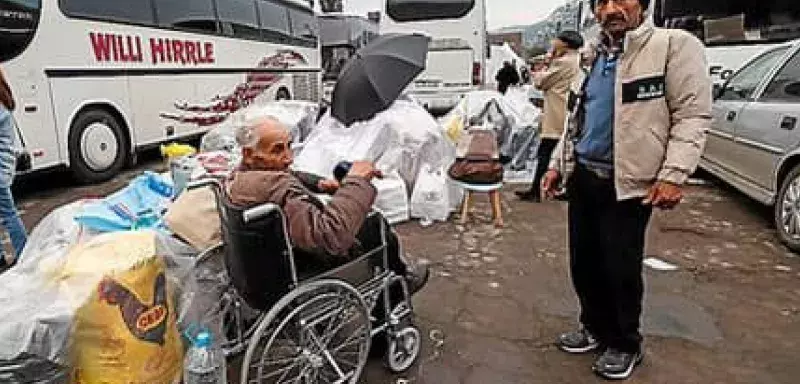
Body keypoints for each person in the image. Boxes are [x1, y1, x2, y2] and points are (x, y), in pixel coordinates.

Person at [541, 0, 711, 380]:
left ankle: (624, 343)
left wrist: (674, 174)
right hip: (585, 176)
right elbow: (575, 119)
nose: (611, 9)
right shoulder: (591, 55)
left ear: (644, 4)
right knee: (584, 263)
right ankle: (594, 328)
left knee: (620, 268)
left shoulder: (672, 46)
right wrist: (556, 166)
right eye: (602, 2)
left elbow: (691, 114)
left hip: (630, 183)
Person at [227, 117, 429, 292]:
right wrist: (356, 182)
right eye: (277, 150)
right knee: (374, 225)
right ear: (248, 154)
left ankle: (399, 275)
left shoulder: (240, 179)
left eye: (289, 146)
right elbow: (328, 235)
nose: (288, 158)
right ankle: (399, 284)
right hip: (303, 266)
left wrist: (319, 184)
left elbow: (286, 176)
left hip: (261, 269)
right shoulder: (279, 188)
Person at [516, 30, 584, 202]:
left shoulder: (563, 62)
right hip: (565, 111)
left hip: (557, 113)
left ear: (565, 44)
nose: (553, 42)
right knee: (564, 152)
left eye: (557, 40)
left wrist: (542, 68)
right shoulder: (576, 60)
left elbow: (540, 82)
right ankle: (561, 188)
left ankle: (537, 190)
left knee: (546, 152)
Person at [0, 69, 27, 268]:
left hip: (0, 171)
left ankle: (24, 254)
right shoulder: (4, 102)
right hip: (3, 169)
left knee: (9, 214)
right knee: (8, 213)